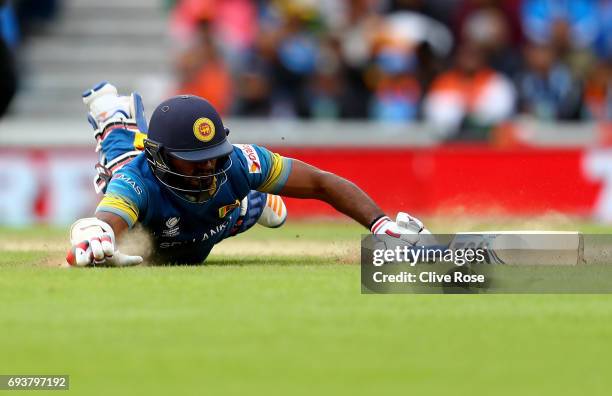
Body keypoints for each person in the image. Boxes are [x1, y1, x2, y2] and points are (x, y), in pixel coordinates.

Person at [66, 82, 430, 266]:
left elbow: (321, 182)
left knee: (242, 205)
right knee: (119, 159)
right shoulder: (136, 179)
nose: (208, 167)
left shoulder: (241, 162)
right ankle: (112, 115)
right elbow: (110, 215)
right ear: (163, 158)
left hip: (226, 216)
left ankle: (258, 198)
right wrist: (97, 234)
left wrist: (381, 225)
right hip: (159, 229)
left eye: (213, 155)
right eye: (195, 159)